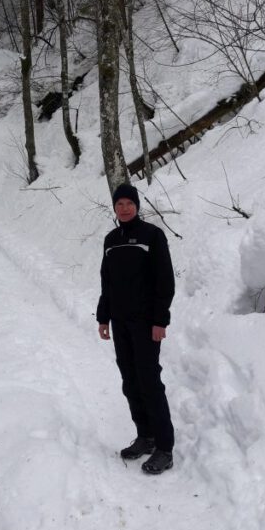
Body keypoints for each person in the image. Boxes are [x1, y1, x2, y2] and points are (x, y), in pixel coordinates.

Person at [97, 182, 176, 475]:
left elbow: (164, 282)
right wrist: (103, 318)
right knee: (130, 381)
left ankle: (165, 448)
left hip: (145, 324)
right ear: (115, 208)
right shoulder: (110, 240)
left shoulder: (152, 236)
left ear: (137, 206)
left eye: (130, 203)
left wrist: (160, 321)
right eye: (120, 204)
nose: (125, 208)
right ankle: (146, 436)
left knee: (149, 381)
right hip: (120, 323)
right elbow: (107, 283)